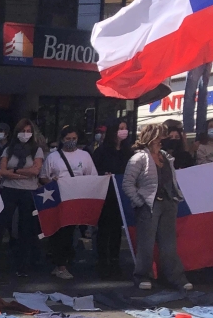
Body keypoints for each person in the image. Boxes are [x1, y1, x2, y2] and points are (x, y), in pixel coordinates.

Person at [123, 123, 191, 291]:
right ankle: (142, 276)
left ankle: (175, 277)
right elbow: (127, 184)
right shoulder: (139, 158)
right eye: (161, 136)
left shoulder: (166, 157)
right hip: (149, 205)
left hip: (168, 203)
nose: (164, 139)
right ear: (151, 138)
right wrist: (140, 202)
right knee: (146, 244)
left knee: (169, 244)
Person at [40, 126, 96, 280]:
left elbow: (91, 176)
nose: (71, 141)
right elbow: (43, 177)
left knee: (70, 231)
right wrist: (52, 182)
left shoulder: (84, 156)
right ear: (62, 139)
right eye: (68, 139)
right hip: (58, 198)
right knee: (59, 231)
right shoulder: (53, 157)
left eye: (74, 139)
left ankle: (63, 261)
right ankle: (60, 264)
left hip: (75, 198)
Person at [0, 119, 46, 277]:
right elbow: (2, 171)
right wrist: (23, 172)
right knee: (1, 224)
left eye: (28, 131)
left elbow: (35, 171)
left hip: (28, 191)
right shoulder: (8, 149)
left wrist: (15, 170)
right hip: (9, 190)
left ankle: (23, 266)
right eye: (22, 131)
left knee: (26, 228)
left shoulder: (36, 150)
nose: (25, 134)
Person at [93, 119, 133, 278]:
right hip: (105, 194)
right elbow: (94, 171)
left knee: (117, 229)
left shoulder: (128, 152)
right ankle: (102, 261)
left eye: (125, 128)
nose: (124, 131)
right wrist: (104, 175)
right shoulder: (101, 151)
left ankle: (115, 261)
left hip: (121, 195)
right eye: (120, 128)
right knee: (104, 229)